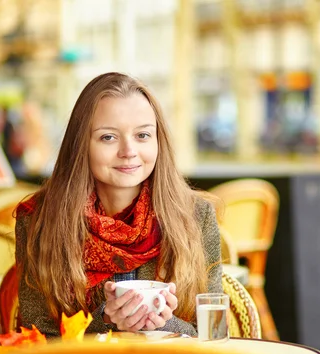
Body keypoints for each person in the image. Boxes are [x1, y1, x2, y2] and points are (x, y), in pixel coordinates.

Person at [15, 72, 222, 338]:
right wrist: (106, 320)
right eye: (108, 138)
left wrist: (161, 322)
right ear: (81, 145)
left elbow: (213, 334)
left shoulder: (195, 216)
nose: (128, 151)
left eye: (143, 135)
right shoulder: (39, 219)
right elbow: (38, 335)